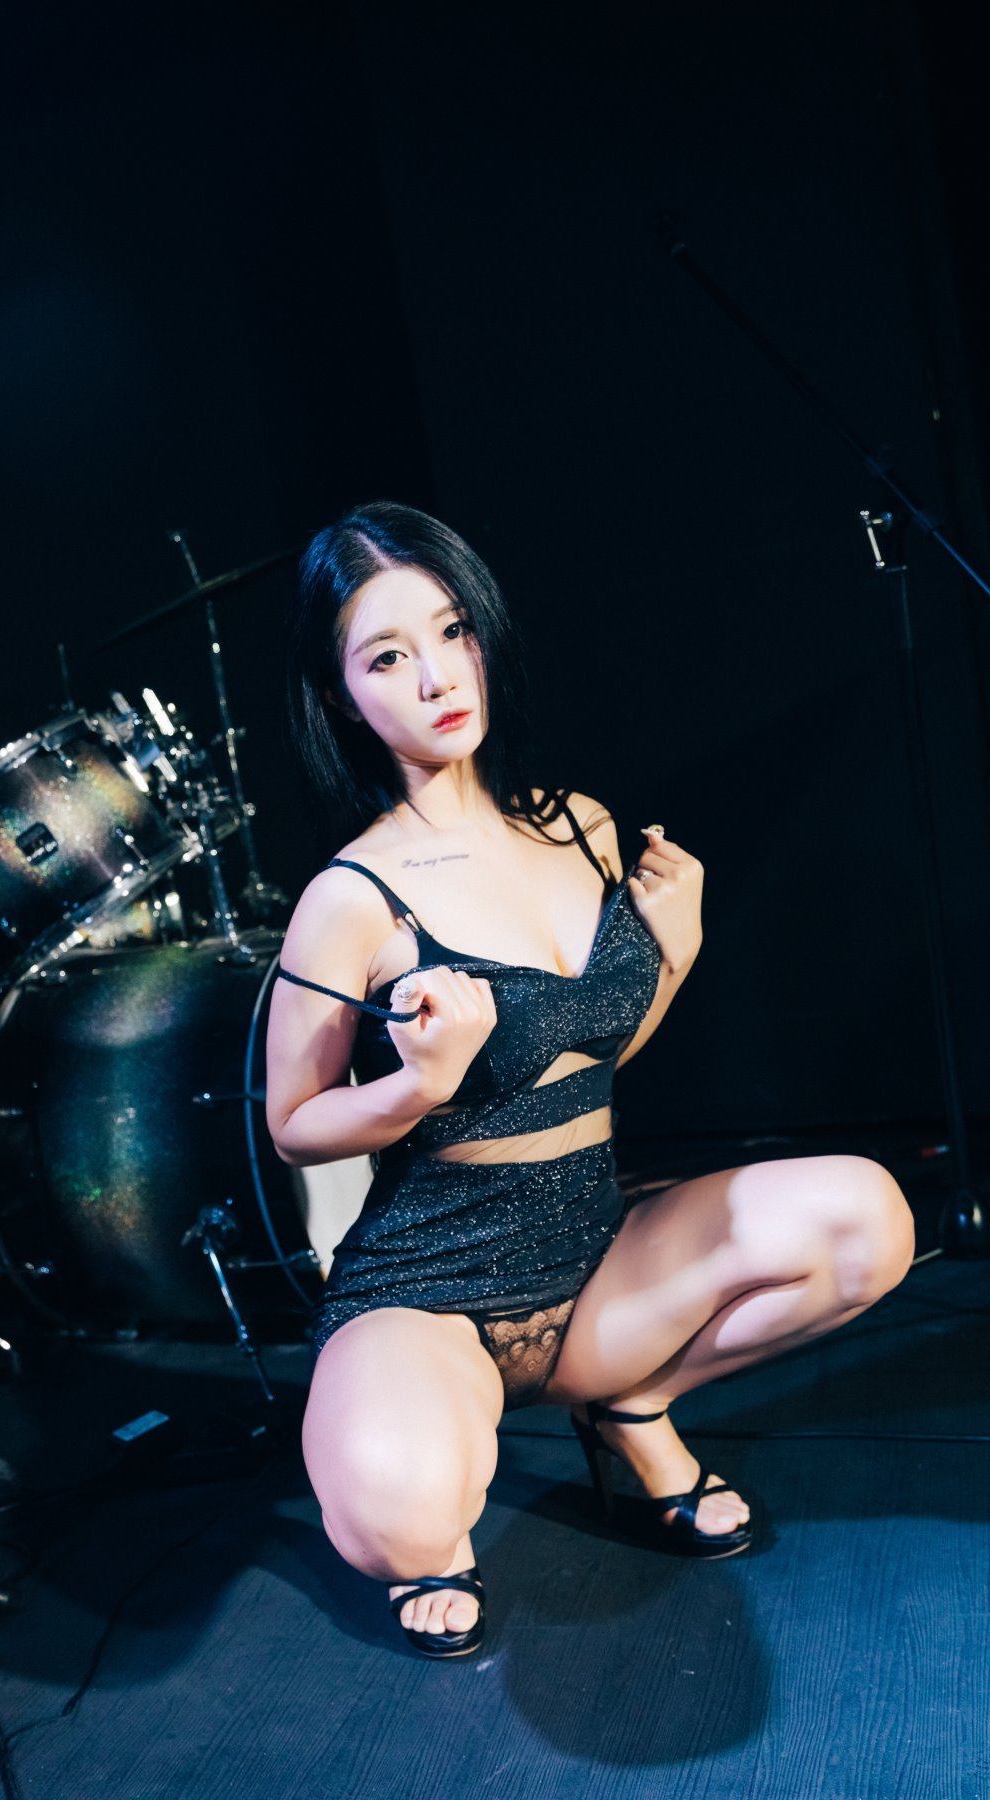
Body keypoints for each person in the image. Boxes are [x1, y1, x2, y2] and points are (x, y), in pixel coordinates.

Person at [264, 501, 915, 1659]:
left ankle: (633, 1404)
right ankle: (436, 1497)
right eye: (387, 657)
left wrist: (678, 953)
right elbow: (294, 1125)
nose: (436, 677)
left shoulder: (580, 828)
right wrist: (417, 1086)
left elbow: (587, 1061)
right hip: (431, 1290)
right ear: (340, 696)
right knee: (400, 1514)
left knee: (868, 1220)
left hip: (600, 1266)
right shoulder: (351, 898)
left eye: (452, 631)